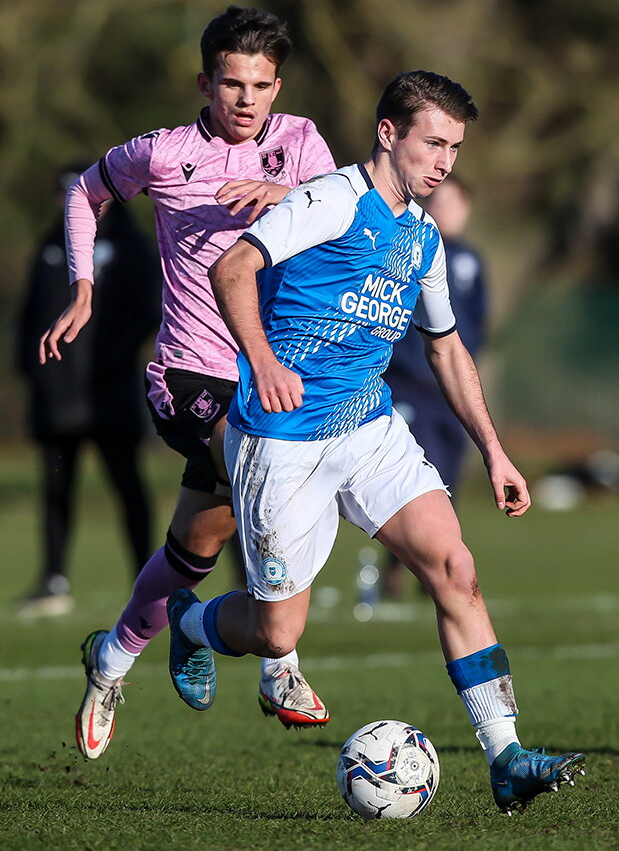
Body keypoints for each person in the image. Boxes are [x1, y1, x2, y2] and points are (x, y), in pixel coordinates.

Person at [166, 70, 585, 815]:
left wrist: (495, 452)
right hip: (283, 441)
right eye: (432, 142)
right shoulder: (329, 201)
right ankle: (191, 621)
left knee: (455, 567)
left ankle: (506, 756)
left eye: (454, 147)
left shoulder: (421, 236)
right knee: (275, 632)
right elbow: (233, 268)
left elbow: (447, 349)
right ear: (388, 133)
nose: (445, 161)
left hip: (368, 427)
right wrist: (261, 363)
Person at [40, 6, 335, 760]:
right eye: (230, 83)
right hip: (189, 372)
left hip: (270, 369)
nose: (244, 99)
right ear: (205, 83)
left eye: (259, 86)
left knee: (192, 551)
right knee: (267, 478)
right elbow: (84, 192)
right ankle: (280, 668)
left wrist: (285, 199)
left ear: (278, 87)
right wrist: (84, 287)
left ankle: (111, 658)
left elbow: (345, 212)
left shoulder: (299, 143)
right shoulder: (165, 153)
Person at [16, 163, 160, 617]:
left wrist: (111, 360)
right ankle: (53, 579)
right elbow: (29, 315)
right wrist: (31, 369)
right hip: (58, 398)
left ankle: (147, 580)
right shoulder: (49, 246)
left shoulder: (130, 246)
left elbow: (147, 310)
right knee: (57, 490)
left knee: (128, 488)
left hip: (110, 394)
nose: (68, 204)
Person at [382, 174, 487, 598]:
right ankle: (399, 569)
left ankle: (442, 567)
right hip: (410, 387)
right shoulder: (410, 247)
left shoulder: (471, 260)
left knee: (450, 478)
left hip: (450, 392)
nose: (448, 211)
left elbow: (478, 321)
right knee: (416, 479)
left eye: (456, 203)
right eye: (440, 202)